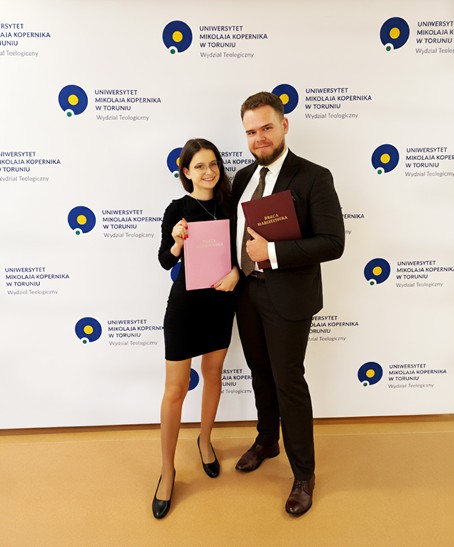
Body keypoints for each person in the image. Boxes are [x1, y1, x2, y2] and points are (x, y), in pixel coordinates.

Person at [231, 92, 345, 516]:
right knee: (259, 372)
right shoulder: (242, 177)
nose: (259, 137)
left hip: (288, 296)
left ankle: (303, 474)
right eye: (251, 131)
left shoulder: (314, 176)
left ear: (284, 125)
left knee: (288, 381)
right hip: (246, 292)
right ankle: (266, 440)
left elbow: (332, 242)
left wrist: (273, 253)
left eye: (266, 127)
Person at [153, 138, 240, 519]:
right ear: (186, 172)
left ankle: (205, 440)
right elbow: (163, 260)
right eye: (200, 166)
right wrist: (176, 243)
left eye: (214, 164)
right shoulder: (177, 209)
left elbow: (244, 252)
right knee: (175, 390)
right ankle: (168, 470)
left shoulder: (231, 206)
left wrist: (237, 273)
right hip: (185, 308)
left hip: (221, 304)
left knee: (213, 373)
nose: (209, 171)